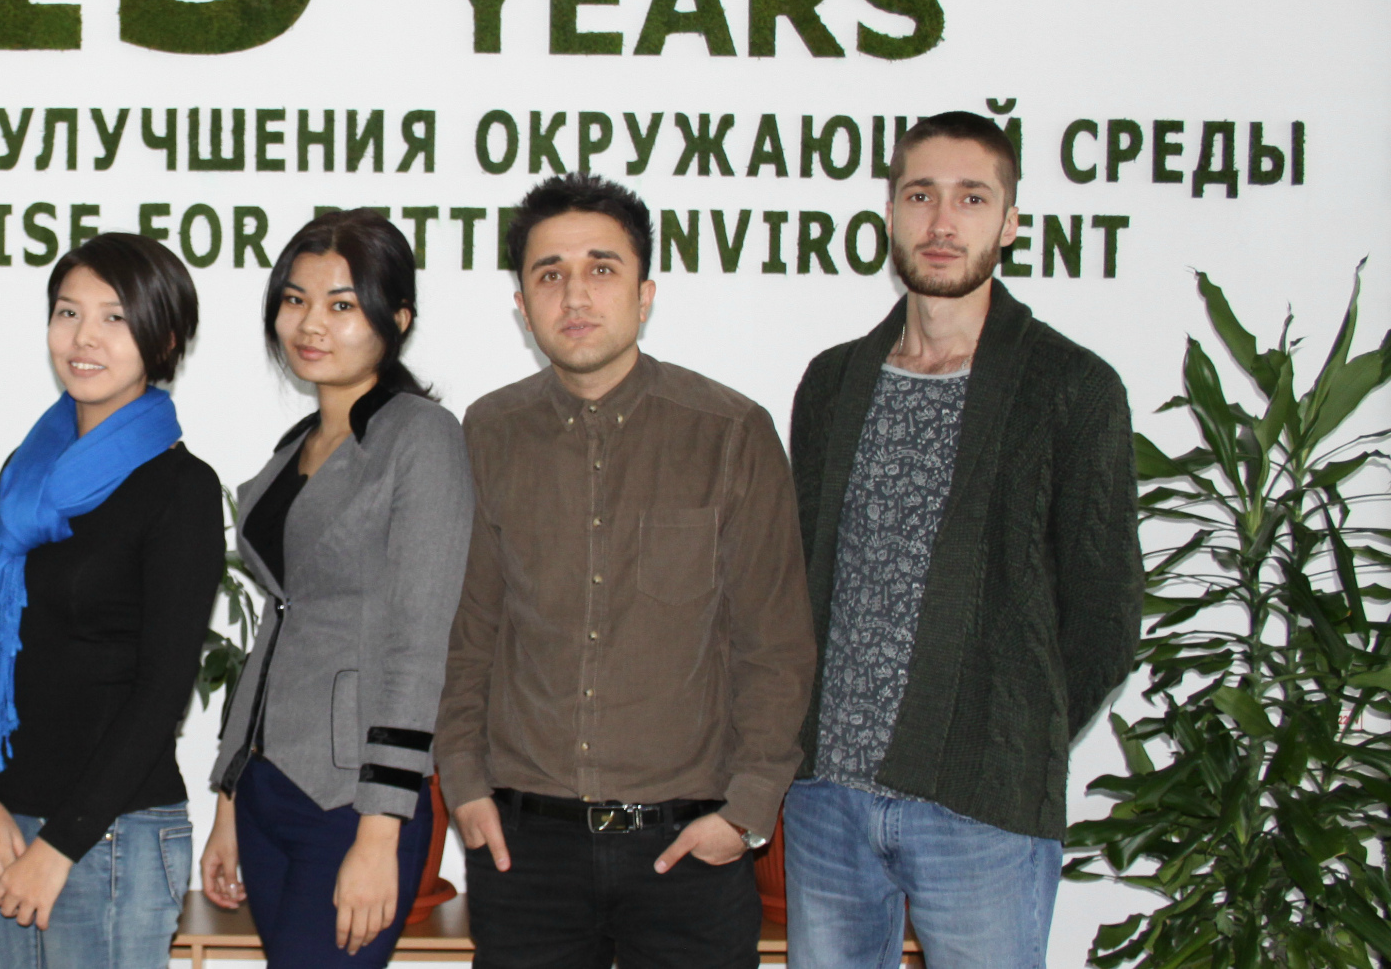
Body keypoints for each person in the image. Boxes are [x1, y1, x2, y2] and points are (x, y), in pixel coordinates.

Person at [783, 111, 1141, 966]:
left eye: (971, 198)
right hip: (824, 801)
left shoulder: (1072, 388)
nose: (941, 222)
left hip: (981, 812)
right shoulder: (832, 382)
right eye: (920, 196)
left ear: (1009, 222)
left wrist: (1010, 737)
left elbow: (1104, 617)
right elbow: (797, 582)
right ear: (889, 214)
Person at [433, 174, 815, 969]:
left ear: (644, 296)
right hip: (526, 854)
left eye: (601, 269)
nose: (575, 295)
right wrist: (464, 785)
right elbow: (469, 634)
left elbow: (775, 648)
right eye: (550, 274)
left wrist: (743, 815)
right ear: (522, 305)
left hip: (687, 851)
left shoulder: (728, 432)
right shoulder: (490, 431)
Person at [199, 210, 475, 967]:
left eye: (341, 304)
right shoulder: (295, 445)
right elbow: (276, 623)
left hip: (351, 800)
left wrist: (380, 830)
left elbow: (419, 643)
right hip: (267, 789)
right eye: (294, 300)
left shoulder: (422, 436)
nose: (310, 323)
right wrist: (228, 799)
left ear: (397, 318)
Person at [0, 232, 225, 969]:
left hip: (111, 836)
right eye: (68, 312)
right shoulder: (26, 473)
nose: (84, 338)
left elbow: (161, 690)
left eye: (115, 317)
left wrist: (60, 844)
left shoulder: (181, 488)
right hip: (8, 827)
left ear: (163, 338)